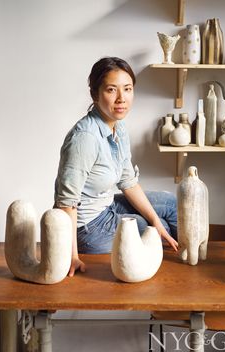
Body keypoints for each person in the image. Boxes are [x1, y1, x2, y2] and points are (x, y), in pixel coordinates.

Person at [54, 57, 178, 277]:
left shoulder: (118, 127)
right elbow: (66, 203)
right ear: (95, 94)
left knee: (169, 205)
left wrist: (155, 220)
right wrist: (70, 255)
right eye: (111, 90)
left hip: (107, 205)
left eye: (127, 89)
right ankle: (178, 279)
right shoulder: (85, 138)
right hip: (87, 227)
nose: (121, 98)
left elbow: (128, 182)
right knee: (154, 231)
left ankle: (191, 261)